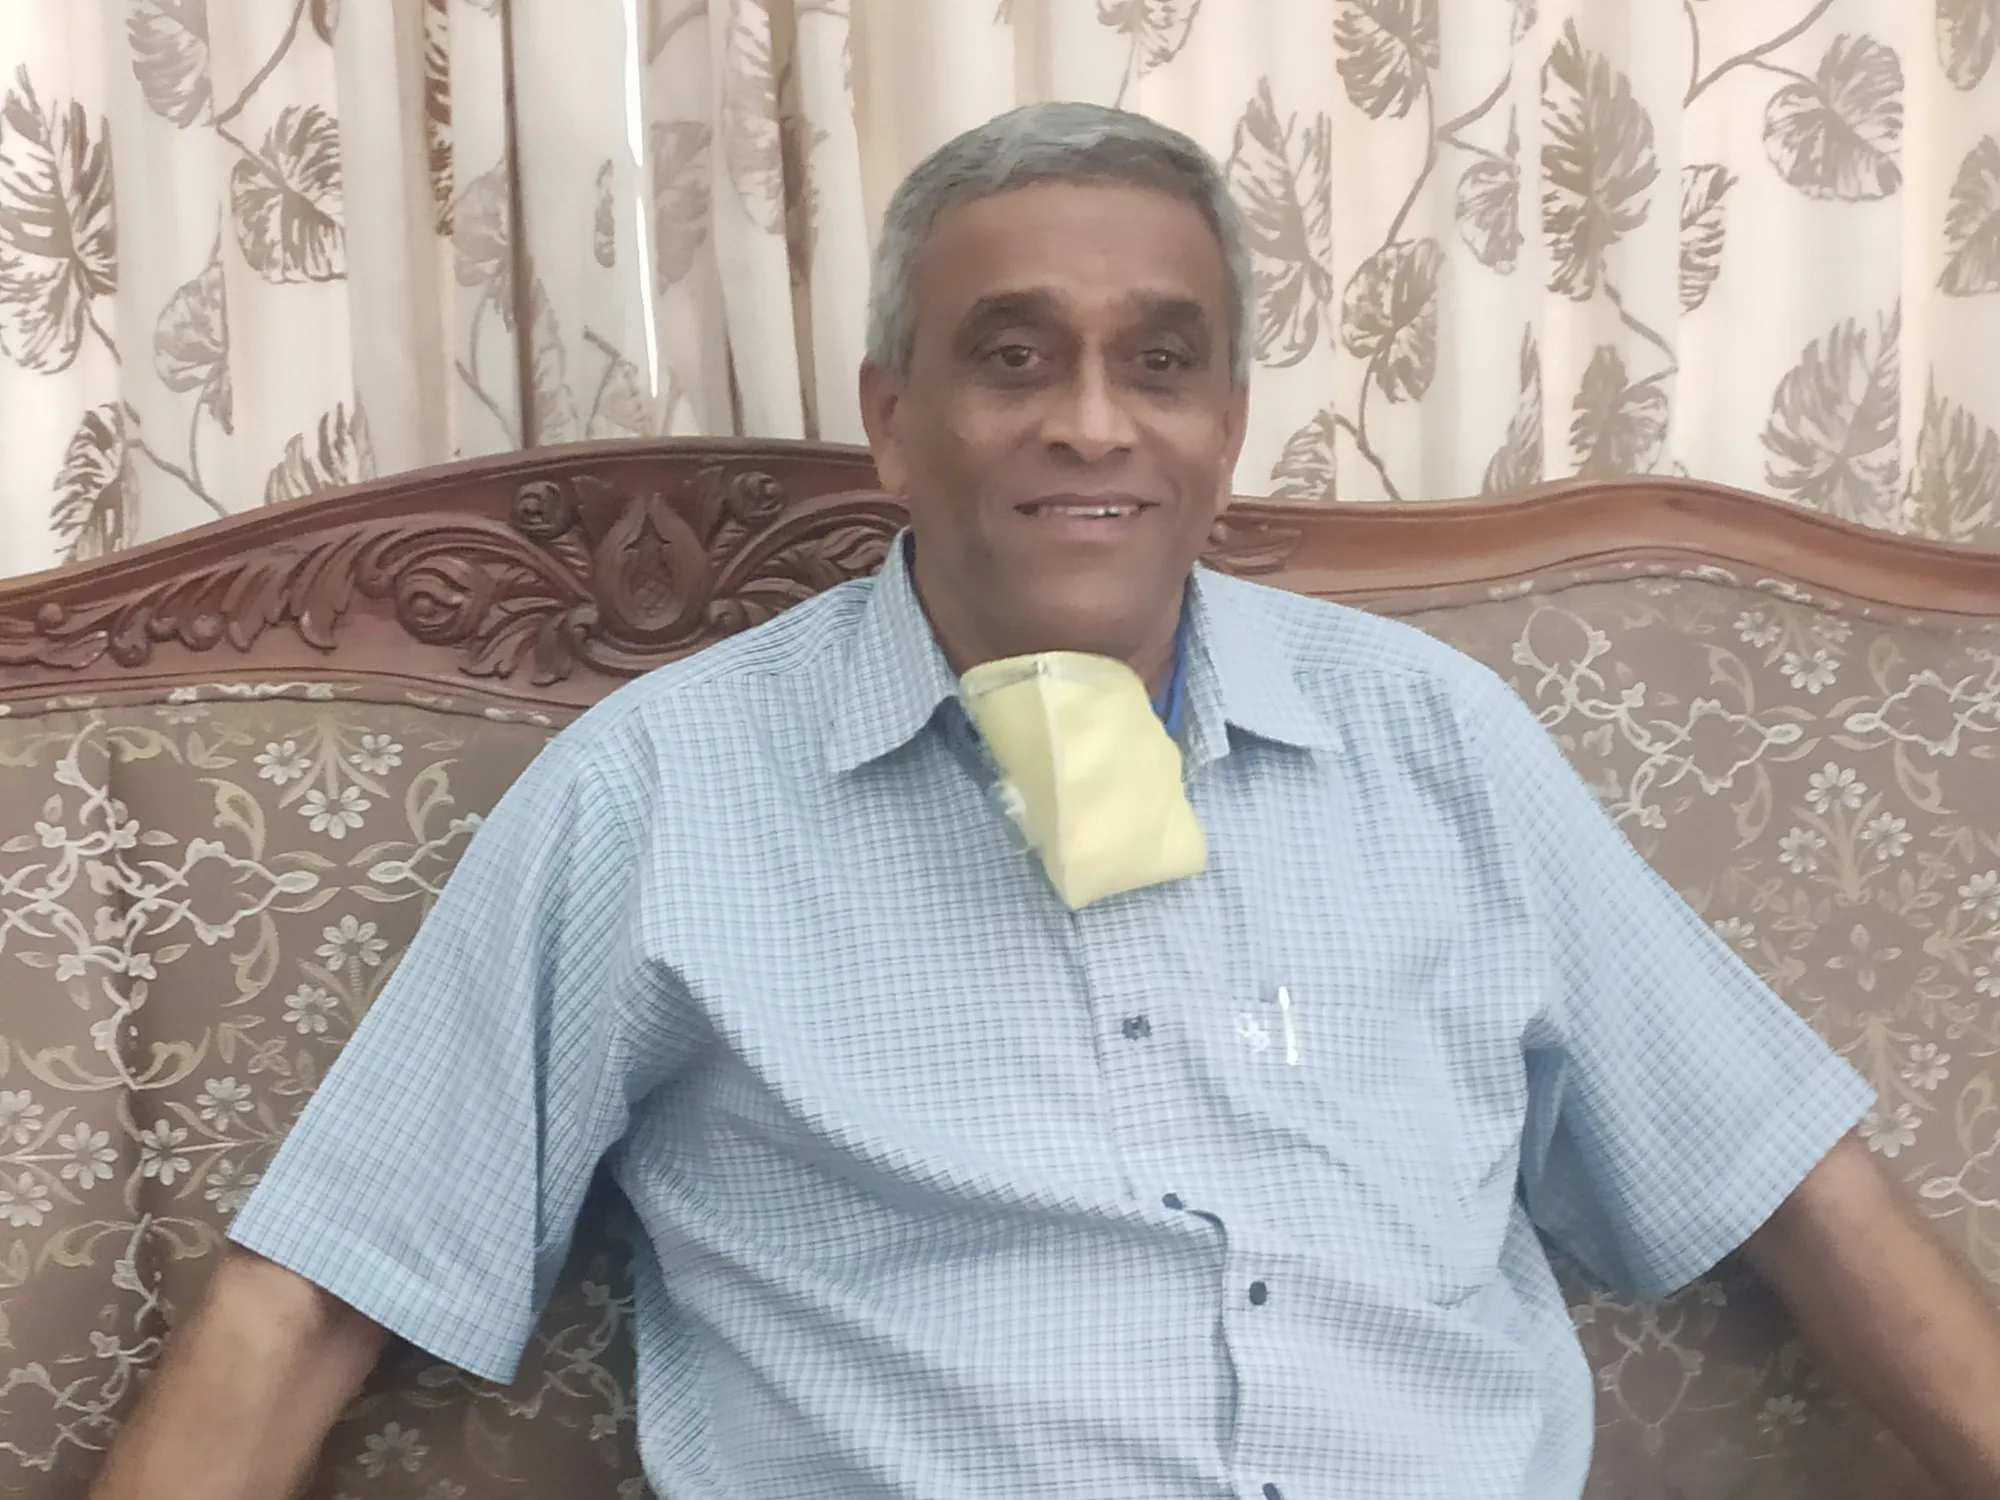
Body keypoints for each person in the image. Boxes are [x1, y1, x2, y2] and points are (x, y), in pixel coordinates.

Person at [90, 101, 2000, 1500]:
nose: (1093, 421)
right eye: (1015, 360)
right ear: (893, 416)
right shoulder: (661, 795)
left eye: (1159, 364)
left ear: (1224, 424)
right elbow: (310, 1300)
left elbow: (1790, 1181)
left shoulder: (1436, 742)